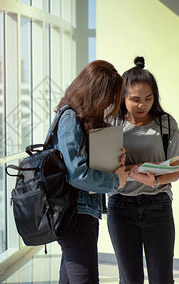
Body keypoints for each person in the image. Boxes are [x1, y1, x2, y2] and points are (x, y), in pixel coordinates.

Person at [107, 56, 179, 284]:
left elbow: (175, 171)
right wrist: (129, 168)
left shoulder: (166, 123)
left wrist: (155, 182)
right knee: (130, 279)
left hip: (158, 205)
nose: (143, 105)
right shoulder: (112, 124)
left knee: (162, 278)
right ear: (123, 97)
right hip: (121, 207)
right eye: (135, 99)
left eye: (149, 98)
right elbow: (105, 169)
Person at [49, 60, 129, 283]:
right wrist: (116, 181)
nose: (107, 104)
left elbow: (83, 164)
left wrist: (114, 160)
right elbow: (77, 174)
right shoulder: (69, 118)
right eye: (107, 97)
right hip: (75, 214)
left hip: (82, 212)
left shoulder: (80, 119)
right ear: (94, 92)